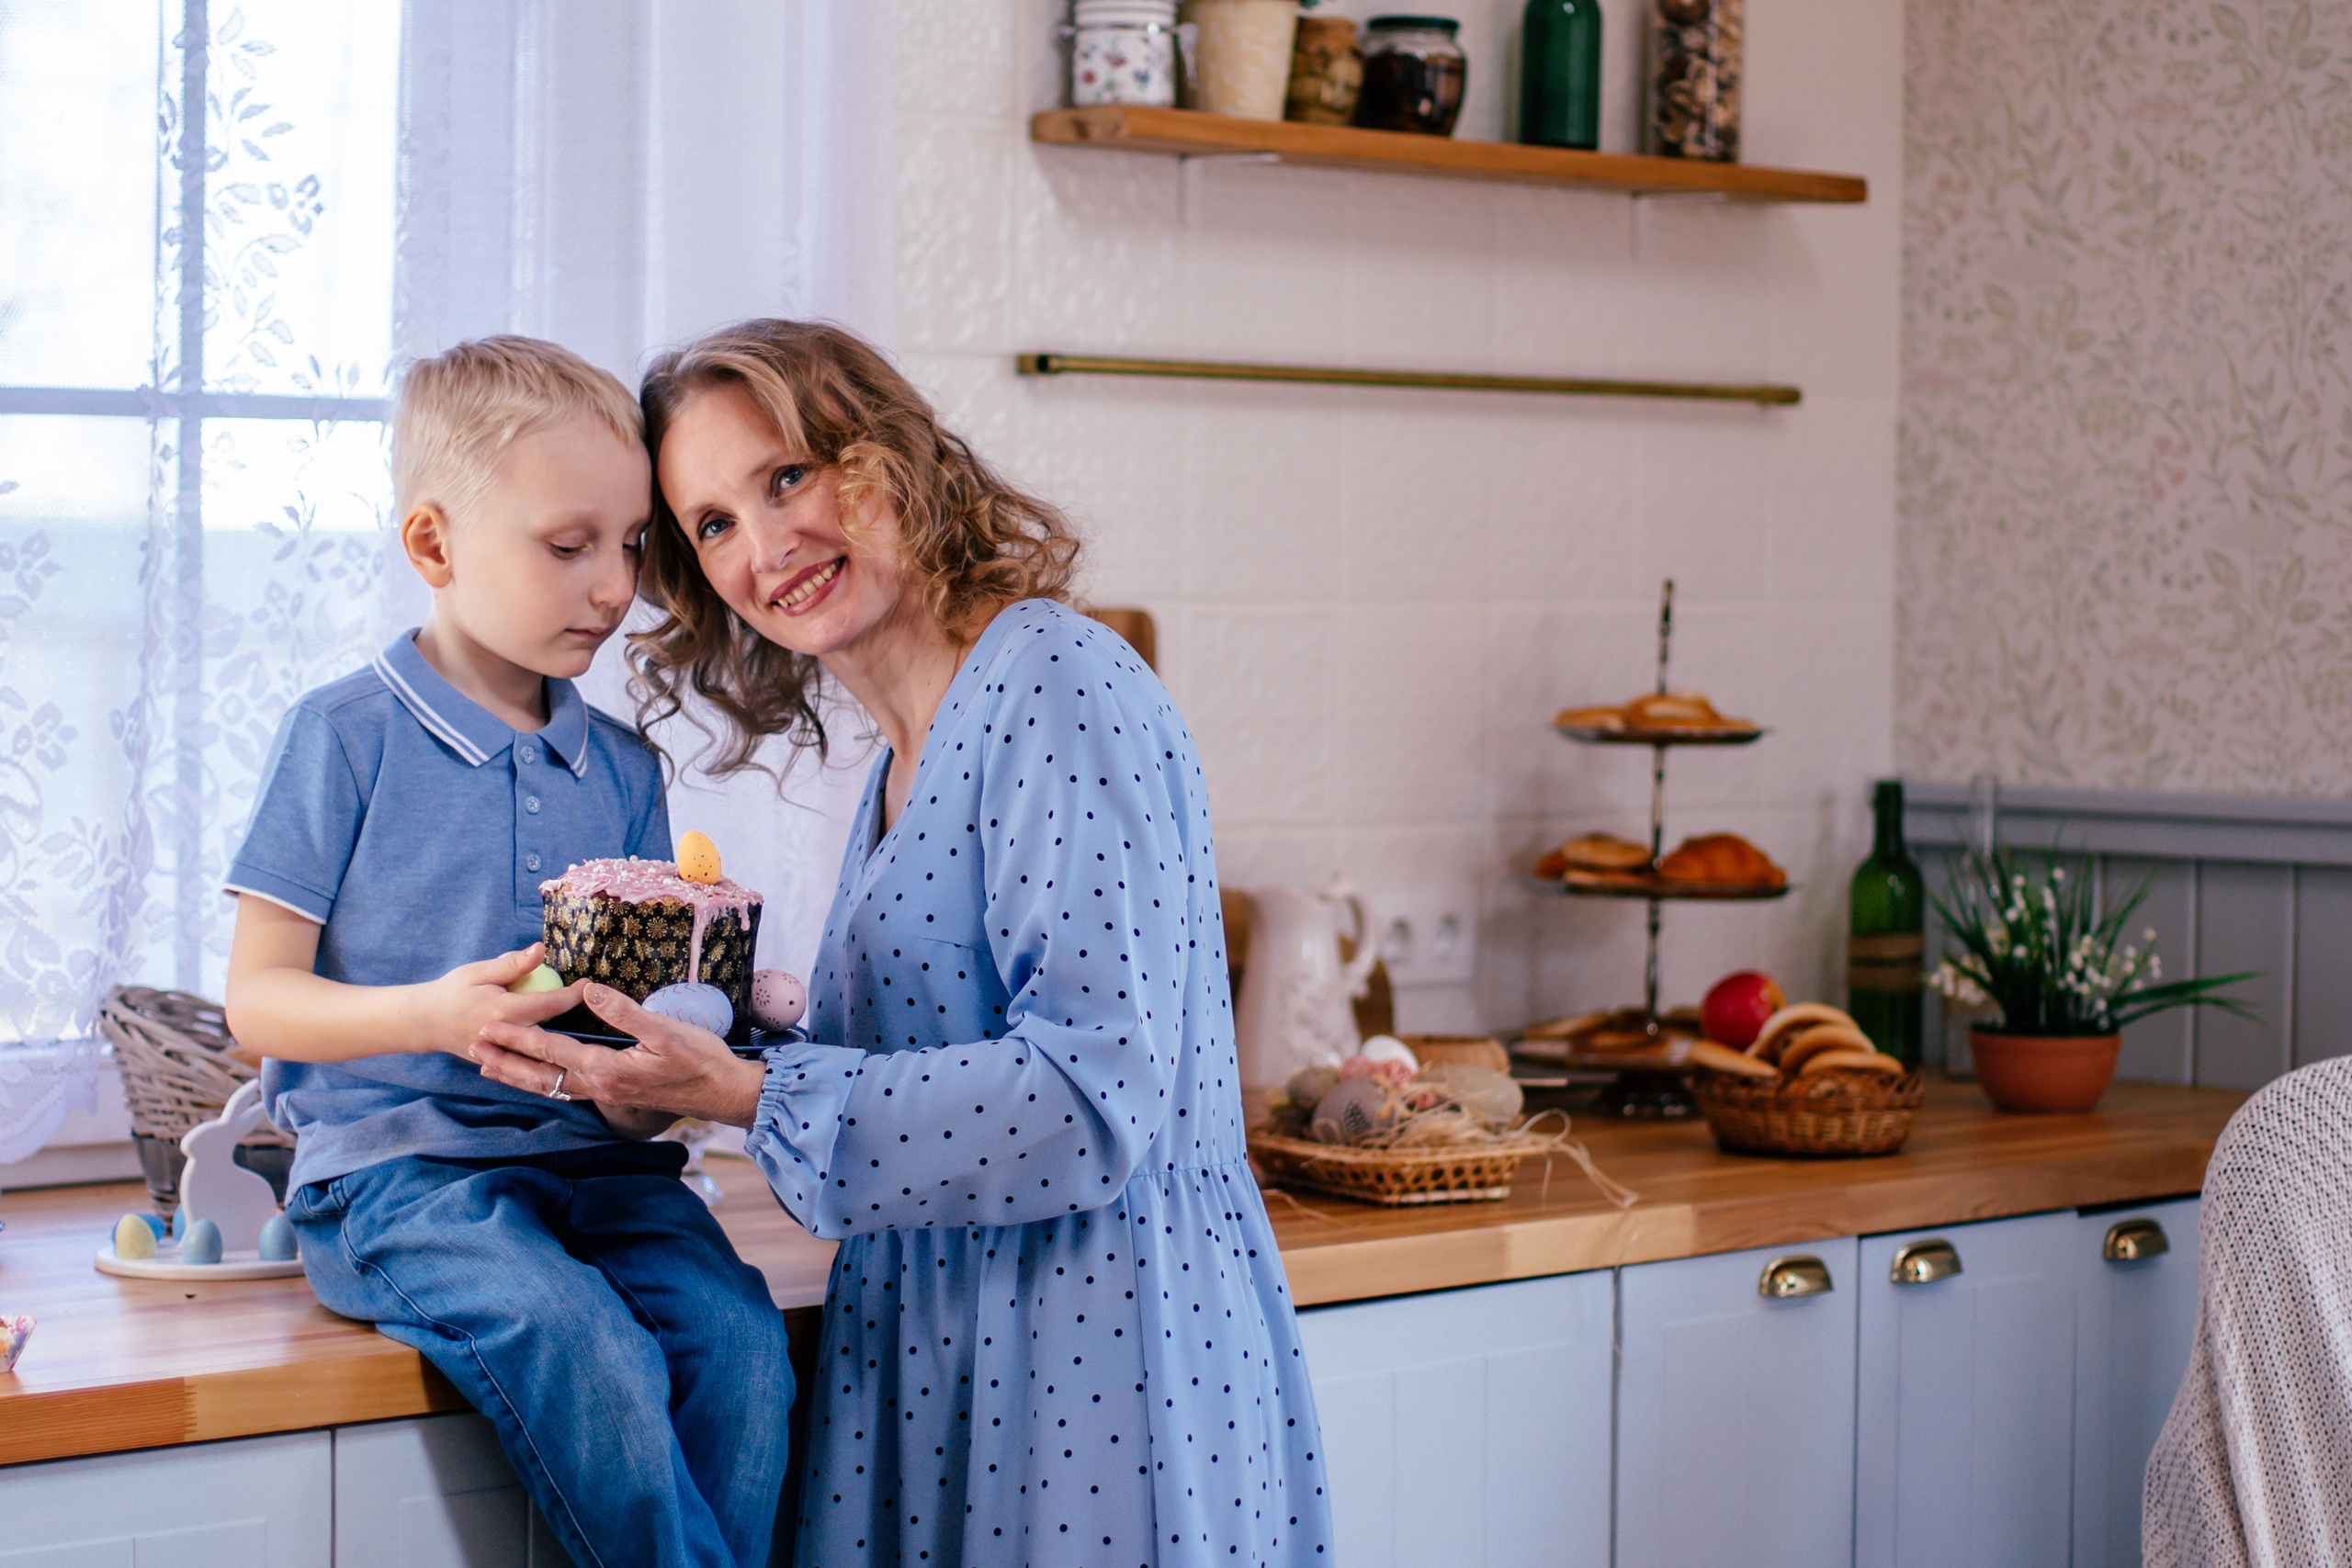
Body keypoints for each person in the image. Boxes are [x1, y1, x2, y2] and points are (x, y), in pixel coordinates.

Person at [471, 319, 1334, 1566]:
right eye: (711, 524)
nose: (766, 547)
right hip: (947, 1342)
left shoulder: (1053, 682)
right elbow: (943, 1054)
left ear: (882, 455)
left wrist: (755, 1090)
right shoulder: (898, 759)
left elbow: (1090, 1095)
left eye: (787, 477)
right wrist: (699, 1050)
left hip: (1093, 1359)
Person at [222, 336, 794, 1568]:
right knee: (579, 1343)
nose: (613, 588)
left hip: (606, 1176)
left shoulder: (627, 769)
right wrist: (430, 1015)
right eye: (567, 545)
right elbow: (257, 1000)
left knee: (743, 1344)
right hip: (402, 1177)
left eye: (634, 546)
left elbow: (633, 1022)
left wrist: (675, 1078)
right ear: (433, 546)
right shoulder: (343, 738)